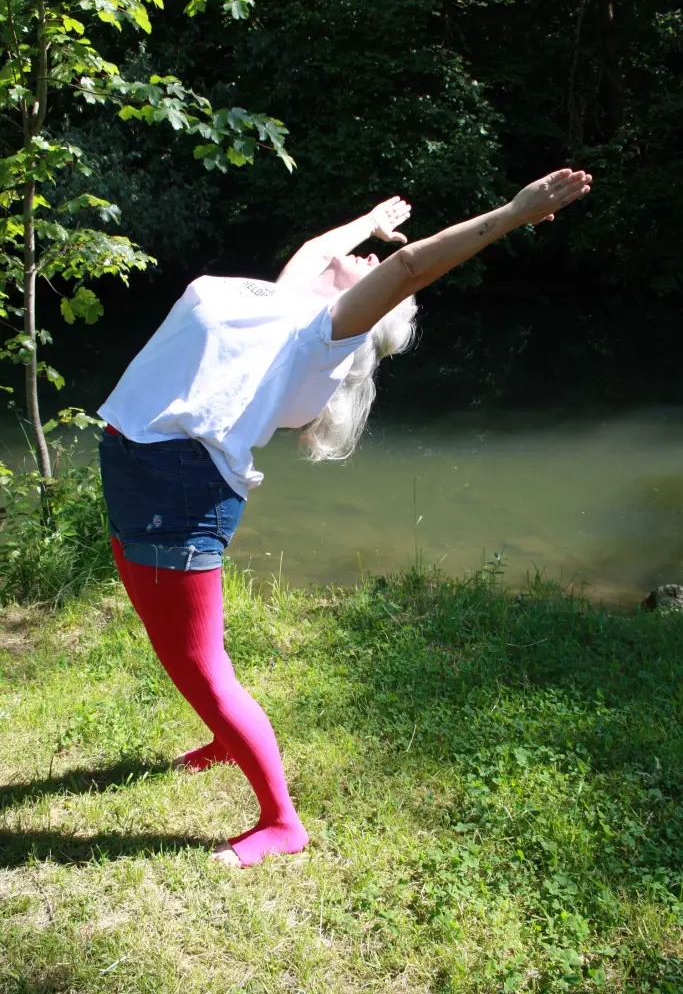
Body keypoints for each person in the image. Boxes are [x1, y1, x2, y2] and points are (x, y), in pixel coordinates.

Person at [98, 167, 592, 867]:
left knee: (197, 662)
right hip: (136, 458)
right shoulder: (285, 300)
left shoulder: (322, 331)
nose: (366, 257)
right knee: (178, 645)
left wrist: (513, 213)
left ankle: (281, 822)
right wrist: (369, 220)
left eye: (371, 268)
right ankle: (225, 739)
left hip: (173, 481)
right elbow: (315, 250)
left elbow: (411, 266)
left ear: (369, 306)